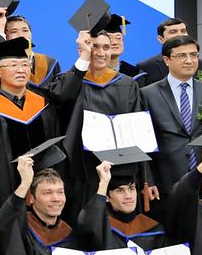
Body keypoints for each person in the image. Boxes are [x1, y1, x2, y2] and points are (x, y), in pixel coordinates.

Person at [48, 30, 147, 221]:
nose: (101, 53)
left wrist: (145, 178)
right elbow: (60, 96)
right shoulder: (70, 80)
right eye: (94, 47)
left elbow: (137, 132)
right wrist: (83, 59)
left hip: (120, 168)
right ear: (83, 49)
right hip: (79, 167)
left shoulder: (127, 84)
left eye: (106, 47)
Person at [0, 38, 61, 210]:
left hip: (43, 190)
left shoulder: (42, 103)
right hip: (4, 191)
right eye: (13, 65)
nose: (21, 70)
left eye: (25, 65)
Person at [140, 36, 202, 195]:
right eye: (182, 55)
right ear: (166, 60)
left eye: (193, 55)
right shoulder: (148, 94)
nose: (189, 61)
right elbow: (143, 141)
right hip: (165, 178)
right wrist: (148, 180)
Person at [0, 10, 61, 94]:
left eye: (25, 30)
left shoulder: (50, 63)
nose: (21, 35)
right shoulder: (2, 64)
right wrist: (0, 27)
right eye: (14, 31)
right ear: (5, 36)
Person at [135, 18, 189, 85]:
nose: (180, 35)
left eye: (183, 31)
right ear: (160, 39)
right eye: (173, 32)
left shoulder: (200, 64)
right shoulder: (146, 66)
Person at [102, 14, 143, 81]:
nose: (114, 42)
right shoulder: (87, 74)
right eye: (109, 38)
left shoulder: (136, 74)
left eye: (118, 38)